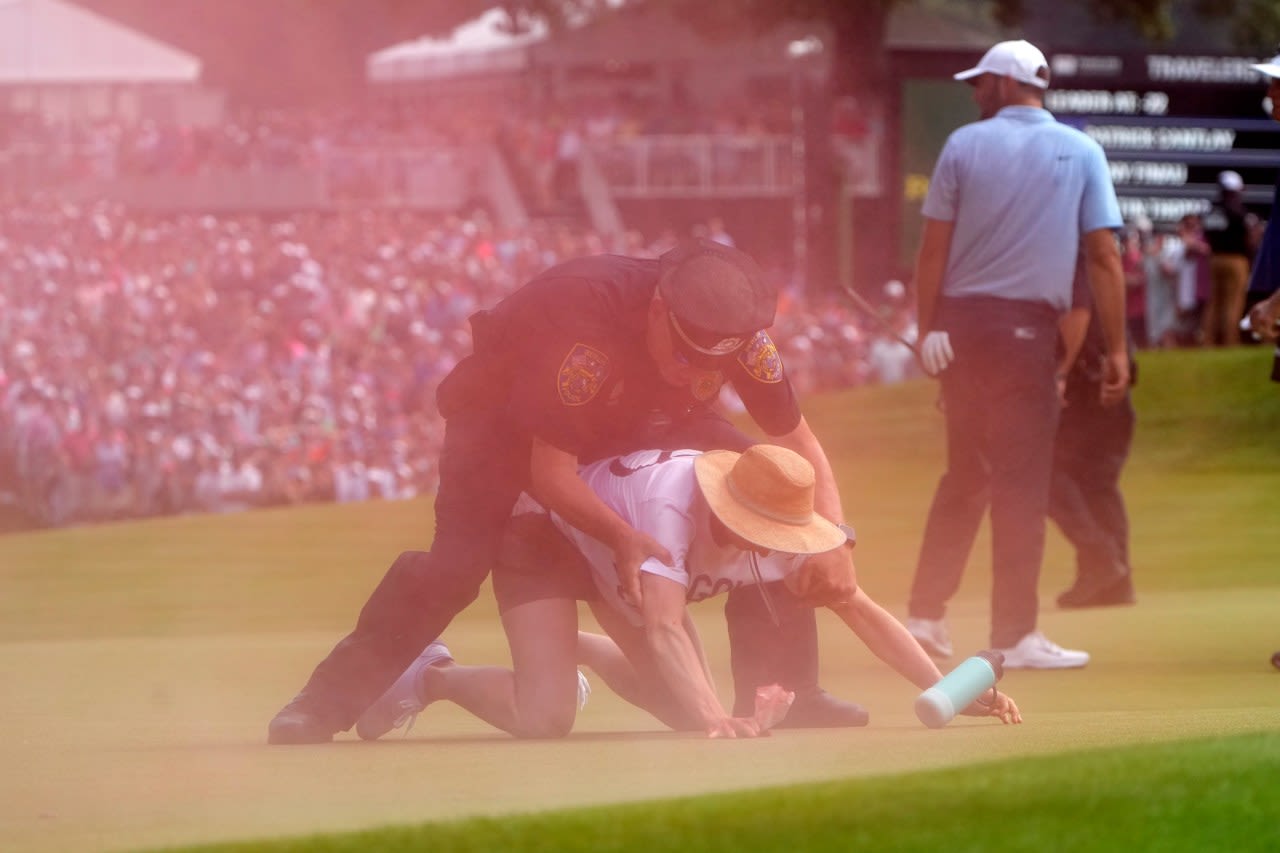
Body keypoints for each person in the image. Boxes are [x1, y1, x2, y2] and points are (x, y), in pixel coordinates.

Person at [267, 239, 867, 744]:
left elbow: (798, 444)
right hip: (504, 429)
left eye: (704, 368)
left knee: (764, 486)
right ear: (659, 310)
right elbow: (551, 472)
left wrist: (834, 538)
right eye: (681, 357)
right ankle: (329, 701)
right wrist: (625, 538)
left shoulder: (742, 337)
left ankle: (797, 689)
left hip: (632, 417)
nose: (691, 374)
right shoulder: (584, 330)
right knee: (455, 570)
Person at [356, 446, 1022, 741]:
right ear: (725, 505)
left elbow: (862, 610)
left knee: (675, 703)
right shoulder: (669, 518)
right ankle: (431, 675)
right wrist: (717, 717)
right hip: (545, 535)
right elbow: (667, 626)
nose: (765, 544)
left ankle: (562, 652)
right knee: (546, 718)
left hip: (625, 575)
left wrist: (952, 688)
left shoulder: (782, 538)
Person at [902, 40, 1129, 669]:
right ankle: (1013, 636)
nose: (975, 93)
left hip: (964, 334)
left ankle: (925, 616)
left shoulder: (962, 146)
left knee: (965, 476)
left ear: (1007, 83)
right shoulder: (1082, 151)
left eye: (982, 83)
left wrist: (929, 330)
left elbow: (931, 252)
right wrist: (1117, 351)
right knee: (1021, 488)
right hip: (1027, 334)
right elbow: (1105, 256)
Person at [1048, 260, 1137, 609]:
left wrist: (1058, 372)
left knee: (1049, 478)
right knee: (1098, 485)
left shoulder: (1072, 259)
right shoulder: (1097, 262)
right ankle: (1114, 579)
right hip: (1110, 389)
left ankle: (1102, 562)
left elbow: (1078, 315)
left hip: (1084, 390)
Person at [1202, 170, 1252, 346]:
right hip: (1235, 260)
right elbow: (1248, 237)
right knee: (1233, 302)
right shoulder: (1238, 212)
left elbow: (1207, 234)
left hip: (1215, 259)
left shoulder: (1211, 211)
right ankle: (1230, 341)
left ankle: (1208, 341)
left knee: (1214, 302)